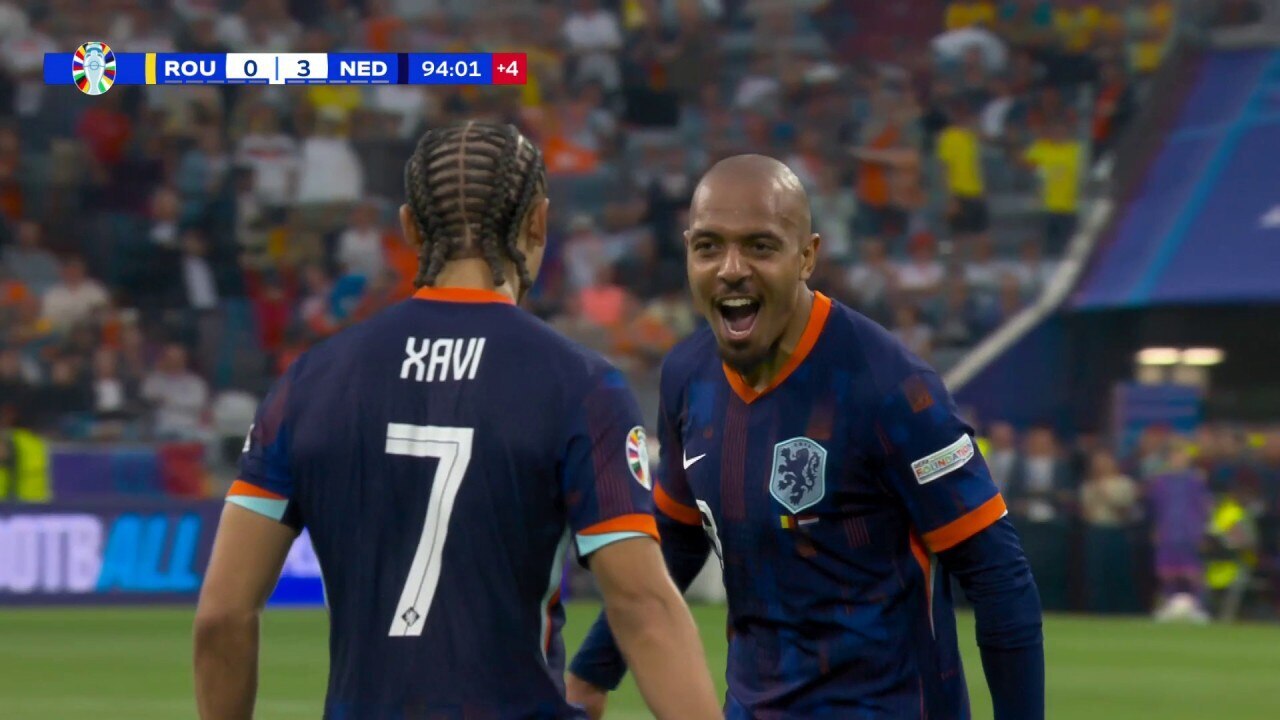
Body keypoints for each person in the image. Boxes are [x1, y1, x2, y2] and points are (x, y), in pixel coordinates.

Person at [193, 122, 721, 720]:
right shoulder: (580, 385)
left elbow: (222, 615)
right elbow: (643, 607)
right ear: (538, 223)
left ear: (411, 229)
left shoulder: (309, 382)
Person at [568, 155, 1044, 719]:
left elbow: (998, 576)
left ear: (807, 256)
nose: (731, 269)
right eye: (710, 246)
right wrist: (592, 672)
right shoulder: (687, 377)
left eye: (761, 246)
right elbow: (677, 533)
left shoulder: (891, 388)